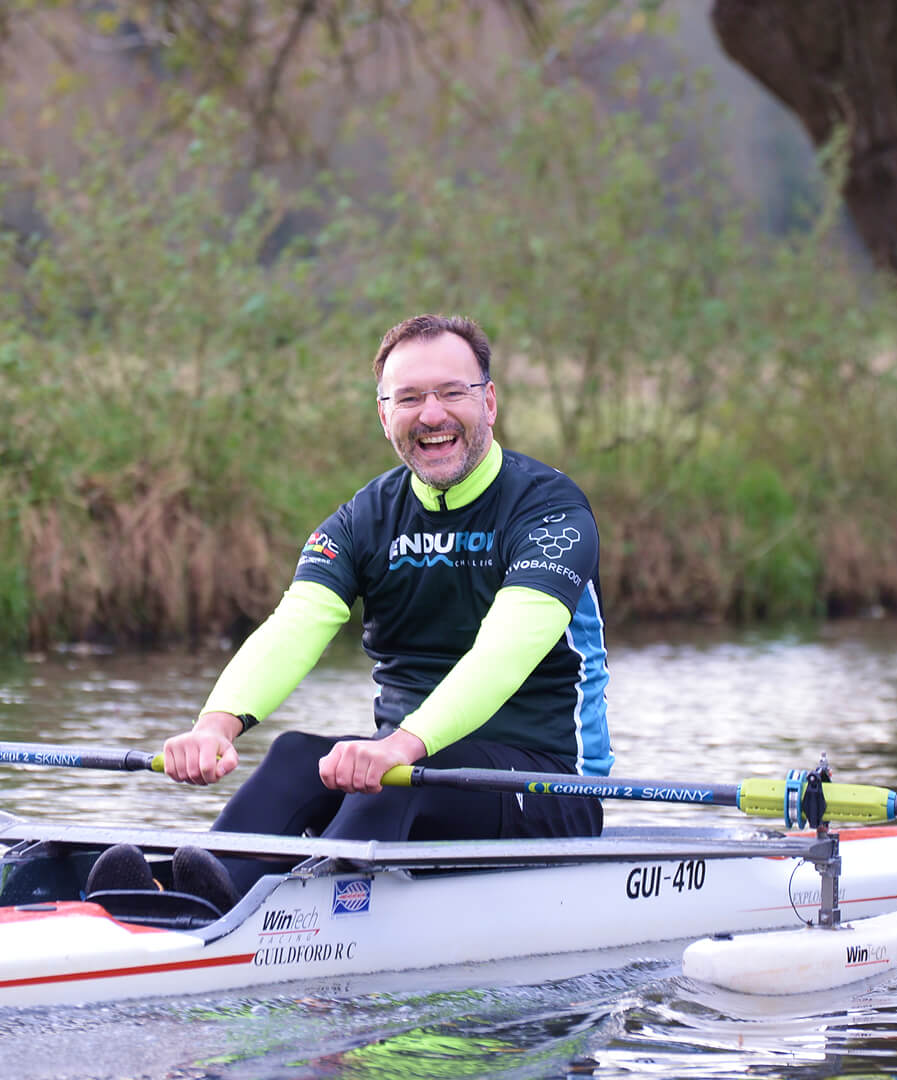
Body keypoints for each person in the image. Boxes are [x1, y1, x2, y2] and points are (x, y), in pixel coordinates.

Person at [149, 313, 613, 907]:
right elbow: (294, 626)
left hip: (548, 788)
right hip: (409, 774)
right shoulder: (365, 517)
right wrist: (214, 726)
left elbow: (503, 653)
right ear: (384, 414)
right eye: (410, 398)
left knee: (400, 778)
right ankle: (179, 905)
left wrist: (401, 745)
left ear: (490, 402)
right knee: (294, 757)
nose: (432, 415)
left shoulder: (551, 511)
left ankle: (298, 914)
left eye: (452, 393)